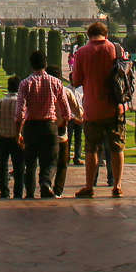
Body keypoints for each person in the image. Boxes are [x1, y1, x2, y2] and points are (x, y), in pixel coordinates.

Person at [71, 21, 126, 198]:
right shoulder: (116, 49)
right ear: (106, 34)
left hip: (93, 108)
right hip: (114, 107)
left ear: (88, 35)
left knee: (92, 149)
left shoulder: (82, 52)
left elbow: (76, 81)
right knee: (117, 147)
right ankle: (117, 186)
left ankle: (89, 187)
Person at [16, 50, 71, 198]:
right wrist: (63, 123)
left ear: (31, 65)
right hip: (49, 126)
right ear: (45, 64)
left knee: (30, 164)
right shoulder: (56, 82)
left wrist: (17, 133)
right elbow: (66, 109)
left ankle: (29, 194)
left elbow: (20, 111)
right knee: (51, 161)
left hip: (31, 126)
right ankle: (46, 182)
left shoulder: (25, 83)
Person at [47, 65, 82, 197]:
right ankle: (58, 190)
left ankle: (46, 183)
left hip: (44, 130)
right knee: (62, 162)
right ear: (60, 77)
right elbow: (76, 108)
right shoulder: (65, 91)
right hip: (61, 132)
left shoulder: (40, 89)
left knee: (46, 161)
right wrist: (79, 117)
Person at [0, 76, 24, 198]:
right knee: (19, 168)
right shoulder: (22, 103)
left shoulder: (0, 102)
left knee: (2, 168)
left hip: (2, 137)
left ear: (8, 88)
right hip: (17, 138)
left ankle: (4, 192)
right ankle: (18, 193)